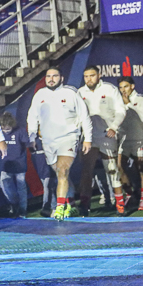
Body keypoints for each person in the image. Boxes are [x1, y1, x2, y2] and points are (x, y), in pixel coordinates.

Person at [27, 67, 93, 220]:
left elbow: (84, 116)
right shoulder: (40, 95)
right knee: (61, 174)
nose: (51, 79)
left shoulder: (71, 93)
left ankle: (59, 208)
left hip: (68, 138)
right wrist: (31, 138)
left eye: (54, 76)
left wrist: (88, 138)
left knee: (63, 171)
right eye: (48, 76)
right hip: (48, 141)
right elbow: (32, 117)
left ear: (61, 78)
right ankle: (72, 204)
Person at [78, 65, 126, 215]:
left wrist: (114, 126)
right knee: (87, 171)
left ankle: (120, 204)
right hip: (89, 138)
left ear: (99, 75)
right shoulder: (80, 92)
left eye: (92, 75)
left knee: (112, 170)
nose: (89, 79)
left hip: (107, 135)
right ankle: (84, 205)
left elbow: (121, 110)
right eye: (86, 76)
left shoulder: (109, 89)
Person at [117, 77, 143, 212]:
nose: (123, 90)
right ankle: (130, 194)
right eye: (120, 87)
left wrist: (128, 104)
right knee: (119, 166)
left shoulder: (142, 99)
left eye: (125, 86)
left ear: (132, 86)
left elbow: (142, 117)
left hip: (138, 138)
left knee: (141, 167)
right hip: (123, 139)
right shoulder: (118, 100)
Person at [0, 112, 29, 217]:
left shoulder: (20, 131)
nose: (6, 131)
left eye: (8, 129)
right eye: (3, 129)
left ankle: (23, 210)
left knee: (21, 187)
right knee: (4, 185)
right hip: (6, 164)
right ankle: (14, 204)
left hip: (19, 163)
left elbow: (26, 143)